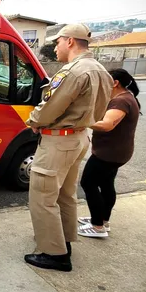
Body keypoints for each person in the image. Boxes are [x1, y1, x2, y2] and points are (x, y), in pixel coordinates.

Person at [23, 24, 113, 272]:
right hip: (80, 137)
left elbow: (51, 107)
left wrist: (33, 120)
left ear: (71, 41)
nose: (56, 46)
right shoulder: (100, 70)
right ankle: (64, 241)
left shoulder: (72, 72)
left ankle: (55, 254)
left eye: (58, 42)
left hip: (59, 141)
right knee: (65, 195)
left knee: (43, 197)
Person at [77, 68, 141, 238]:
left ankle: (97, 226)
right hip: (118, 152)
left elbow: (107, 125)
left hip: (109, 154)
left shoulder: (121, 101)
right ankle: (103, 220)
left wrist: (83, 121)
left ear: (115, 83)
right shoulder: (127, 97)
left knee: (88, 183)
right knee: (106, 184)